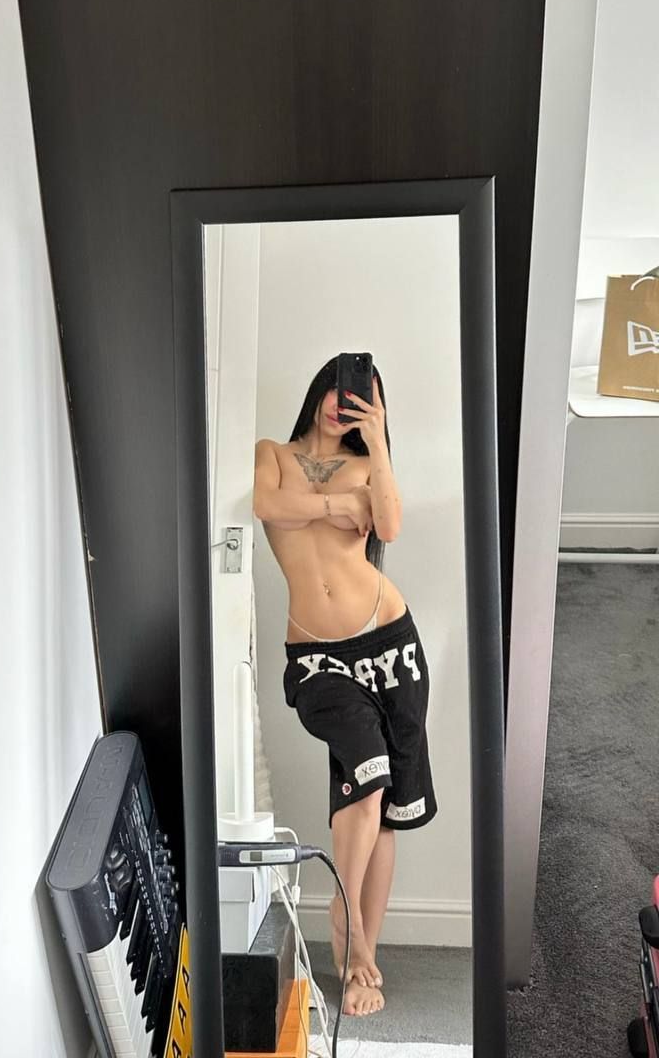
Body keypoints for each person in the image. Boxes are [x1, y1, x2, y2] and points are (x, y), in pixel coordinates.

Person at [252, 356, 437, 1018]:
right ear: (319, 389)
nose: (343, 401)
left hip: (391, 644)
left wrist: (379, 442)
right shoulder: (273, 455)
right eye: (337, 386)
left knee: (380, 800)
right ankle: (352, 923)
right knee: (368, 765)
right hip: (318, 660)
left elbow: (389, 525)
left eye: (360, 396)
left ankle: (362, 953)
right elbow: (266, 504)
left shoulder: (366, 465)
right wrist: (334, 504)